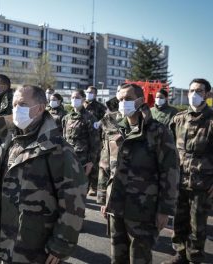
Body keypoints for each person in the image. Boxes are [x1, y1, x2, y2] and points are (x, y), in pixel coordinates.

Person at [0, 85, 87, 263]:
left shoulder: (58, 149)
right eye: (14, 104)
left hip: (34, 246)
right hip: (6, 238)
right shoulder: (9, 139)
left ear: (40, 108)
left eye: (23, 104)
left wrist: (61, 245)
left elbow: (74, 202)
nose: (17, 109)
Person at [97, 83, 180, 264]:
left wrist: (164, 210)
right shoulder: (113, 128)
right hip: (115, 206)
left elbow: (170, 172)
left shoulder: (158, 131)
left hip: (143, 209)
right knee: (117, 258)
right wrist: (103, 198)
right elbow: (104, 165)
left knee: (139, 259)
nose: (122, 103)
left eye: (128, 99)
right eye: (120, 100)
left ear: (141, 101)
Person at [164, 79, 213, 264]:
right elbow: (168, 149)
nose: (194, 94)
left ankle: (195, 258)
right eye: (191, 90)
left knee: (197, 224)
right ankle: (180, 253)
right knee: (178, 220)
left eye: (199, 91)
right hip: (179, 180)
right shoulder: (179, 119)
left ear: (208, 94)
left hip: (203, 183)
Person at [62, 89, 100, 184]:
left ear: (83, 99)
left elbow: (95, 143)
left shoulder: (90, 118)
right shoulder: (66, 118)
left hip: (82, 160)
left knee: (80, 188)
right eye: (73, 97)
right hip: (67, 157)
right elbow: (63, 139)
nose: (74, 99)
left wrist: (91, 162)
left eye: (77, 97)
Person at [84, 86, 107, 196]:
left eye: (91, 92)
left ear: (95, 94)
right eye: (87, 92)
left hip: (96, 138)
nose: (89, 94)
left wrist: (100, 124)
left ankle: (93, 187)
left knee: (94, 162)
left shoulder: (100, 107)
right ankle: (85, 185)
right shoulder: (82, 105)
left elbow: (106, 120)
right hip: (83, 138)